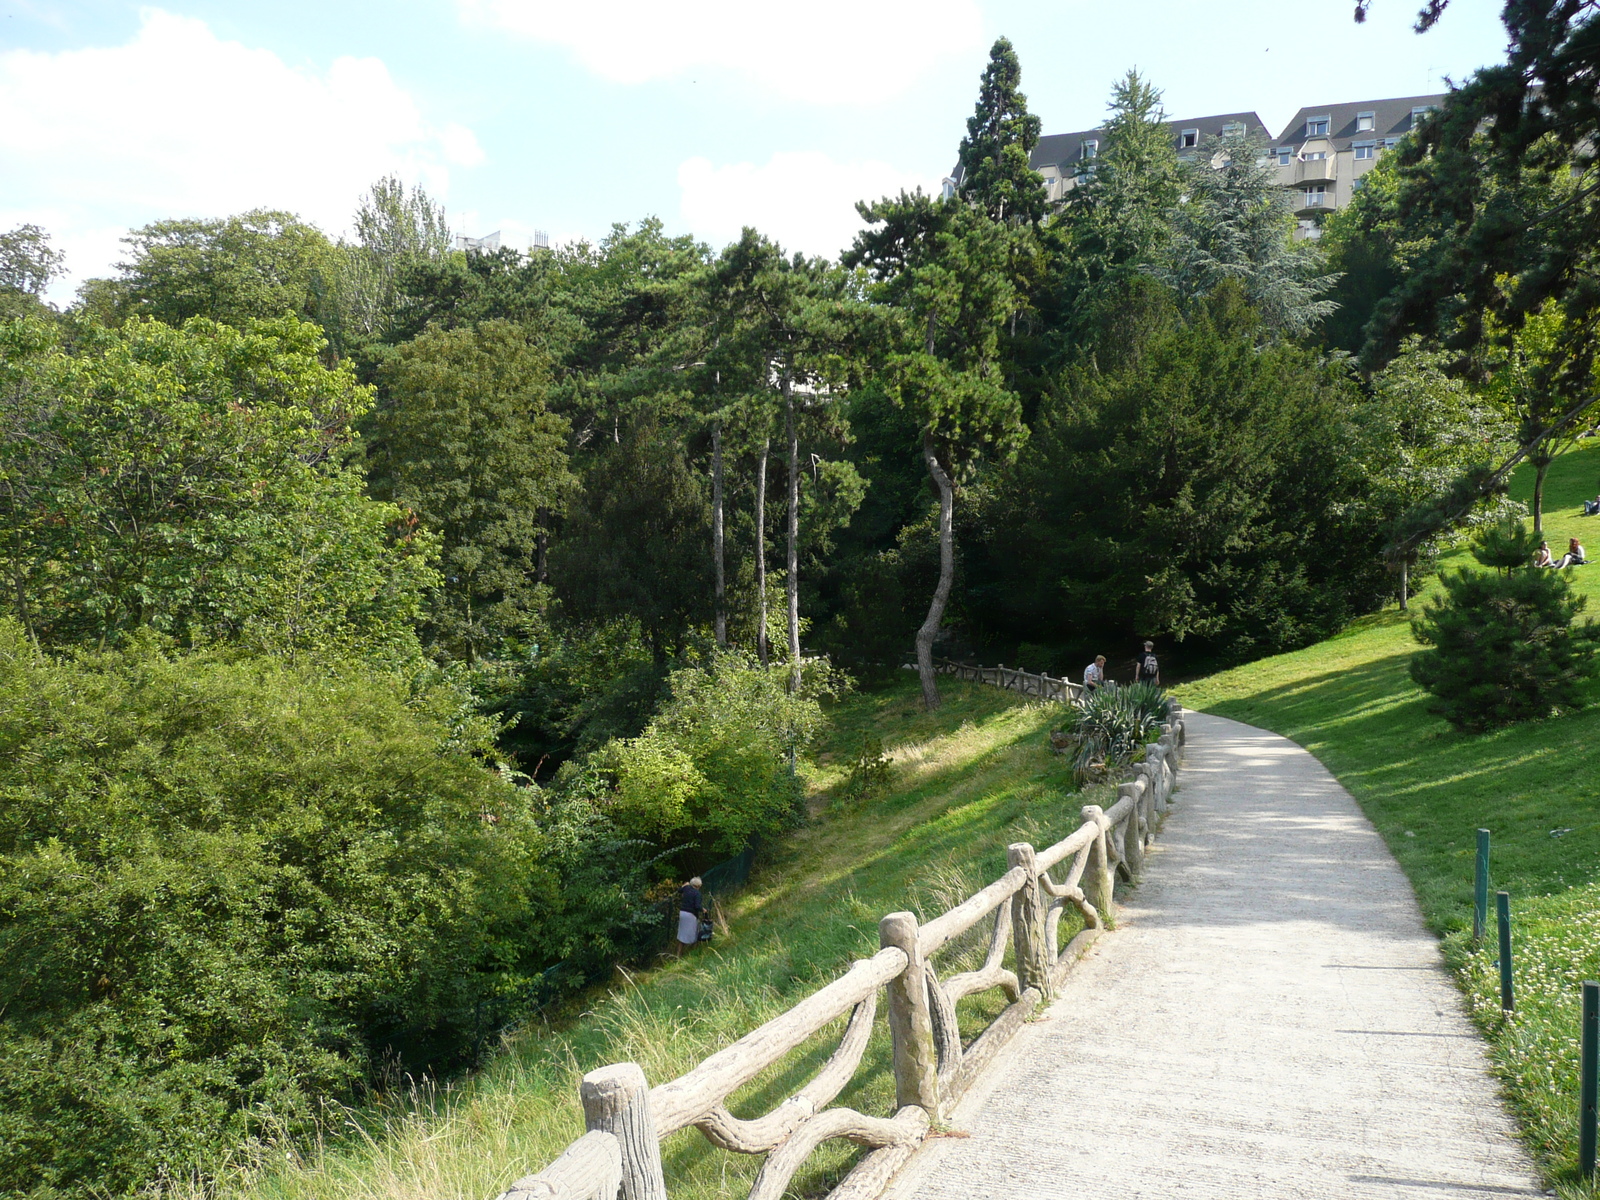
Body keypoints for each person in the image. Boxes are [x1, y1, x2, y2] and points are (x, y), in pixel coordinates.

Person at [675, 876, 703, 957]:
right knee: (693, 934)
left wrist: (684, 885)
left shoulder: (686, 888)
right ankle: (692, 954)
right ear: (698, 886)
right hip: (691, 915)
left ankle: (678, 955)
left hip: (682, 913)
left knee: (681, 935)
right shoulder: (697, 893)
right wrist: (703, 909)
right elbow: (697, 906)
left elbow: (679, 890)